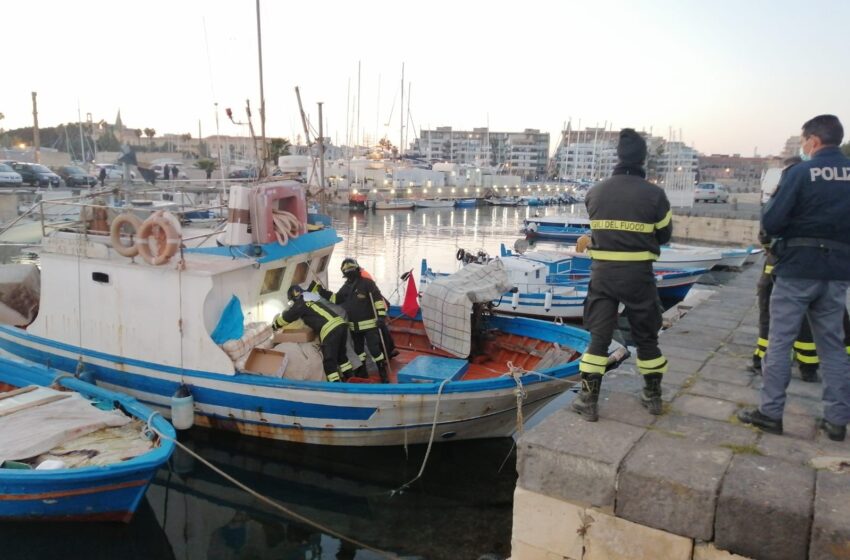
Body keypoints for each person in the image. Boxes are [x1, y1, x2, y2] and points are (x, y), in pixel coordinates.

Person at [738, 114, 850, 442]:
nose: (803, 147)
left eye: (803, 141)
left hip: (797, 269)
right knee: (832, 345)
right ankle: (837, 420)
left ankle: (771, 413)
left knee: (780, 341)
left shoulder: (800, 173)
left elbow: (772, 221)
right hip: (837, 272)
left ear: (813, 141)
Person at [571, 128, 672, 422]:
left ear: (618, 156)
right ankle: (652, 397)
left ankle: (588, 401)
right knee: (646, 338)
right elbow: (664, 235)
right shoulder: (655, 195)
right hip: (639, 276)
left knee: (598, 338)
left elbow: (598, 231)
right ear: (644, 159)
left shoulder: (596, 192)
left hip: (603, 276)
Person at [313, 258, 391, 383]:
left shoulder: (367, 284)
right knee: (359, 352)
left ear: (356, 269)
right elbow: (336, 299)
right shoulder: (346, 287)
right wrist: (322, 291)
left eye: (351, 269)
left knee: (375, 350)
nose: (349, 272)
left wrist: (381, 317)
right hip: (354, 328)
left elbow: (377, 300)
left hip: (370, 325)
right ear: (344, 274)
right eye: (347, 271)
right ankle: (363, 373)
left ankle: (383, 373)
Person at [271, 284, 352, 382]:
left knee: (329, 362)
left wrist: (275, 325)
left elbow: (288, 316)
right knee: (341, 357)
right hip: (340, 325)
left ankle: (335, 387)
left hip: (330, 329)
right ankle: (351, 379)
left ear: (293, 298)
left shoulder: (300, 304)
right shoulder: (311, 300)